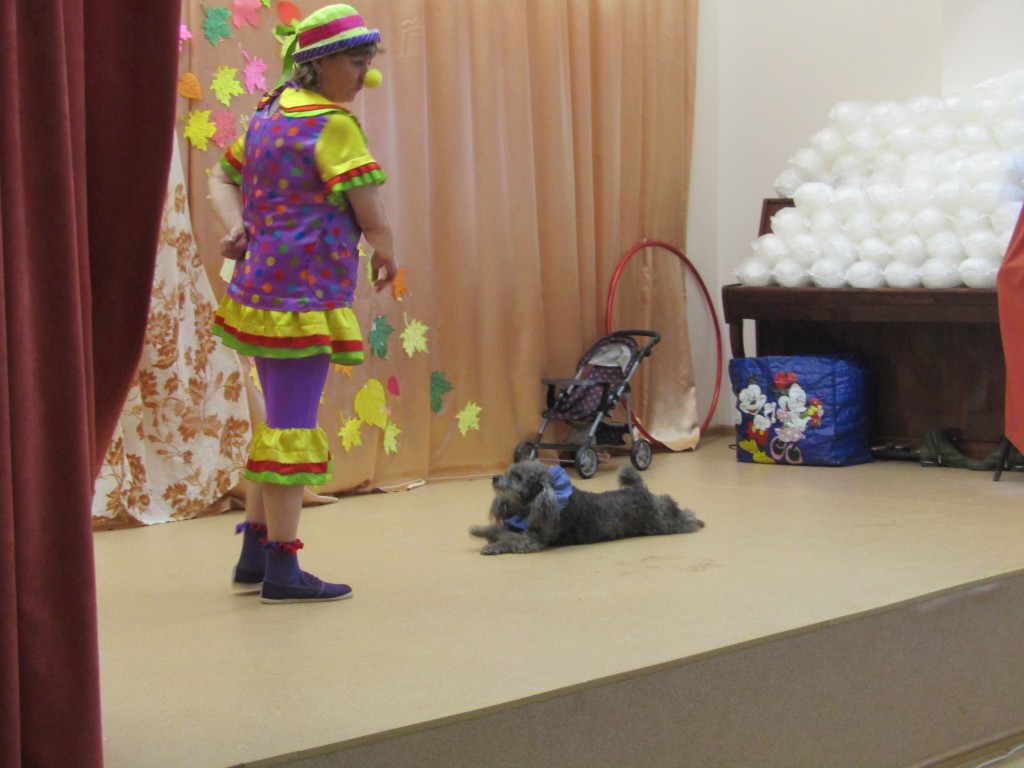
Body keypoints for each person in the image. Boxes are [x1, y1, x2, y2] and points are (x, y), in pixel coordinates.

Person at [208, 3, 397, 604]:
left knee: (276, 425)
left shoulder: (270, 111)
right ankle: (283, 570)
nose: (366, 73)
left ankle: (253, 554)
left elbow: (221, 176)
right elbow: (370, 212)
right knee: (291, 430)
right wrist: (387, 250)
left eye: (367, 60)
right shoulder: (333, 126)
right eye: (355, 61)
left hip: (259, 295)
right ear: (318, 64)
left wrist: (237, 224)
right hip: (304, 301)